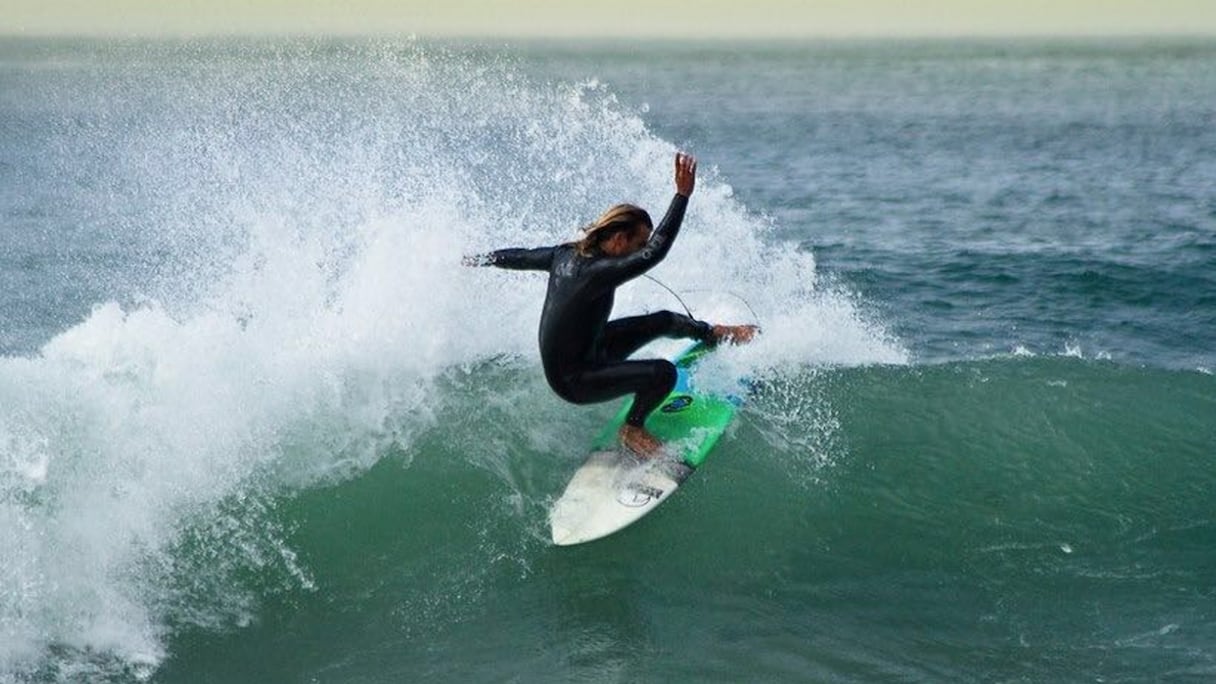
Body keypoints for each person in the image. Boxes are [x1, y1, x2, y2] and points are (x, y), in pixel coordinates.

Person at [464, 153, 756, 457]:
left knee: (665, 320)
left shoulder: (564, 254)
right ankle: (633, 428)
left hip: (592, 349)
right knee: (663, 374)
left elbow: (521, 257)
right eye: (638, 243)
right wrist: (682, 196)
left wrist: (481, 259)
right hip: (574, 380)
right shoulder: (595, 273)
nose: (640, 251)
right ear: (618, 239)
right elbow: (654, 253)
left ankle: (712, 333)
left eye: (643, 244)